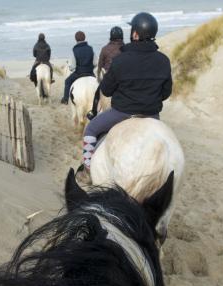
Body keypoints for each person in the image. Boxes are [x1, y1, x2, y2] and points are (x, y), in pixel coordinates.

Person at [77, 12, 172, 183]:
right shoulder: (163, 60)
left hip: (122, 113)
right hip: (152, 115)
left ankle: (87, 170)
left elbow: (105, 90)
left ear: (135, 34)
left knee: (91, 129)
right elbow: (166, 93)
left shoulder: (121, 60)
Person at [87, 26, 124, 120]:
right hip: (123, 78)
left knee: (97, 93)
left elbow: (100, 65)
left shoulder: (104, 49)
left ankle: (93, 111)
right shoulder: (126, 48)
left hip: (109, 77)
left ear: (111, 36)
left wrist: (99, 79)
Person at [61, 31, 95, 105]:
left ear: (76, 39)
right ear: (84, 38)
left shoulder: (75, 50)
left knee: (67, 81)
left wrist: (70, 68)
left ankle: (65, 99)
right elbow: (95, 63)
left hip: (79, 73)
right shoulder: (90, 48)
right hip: (90, 72)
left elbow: (73, 67)